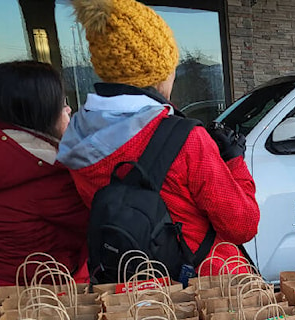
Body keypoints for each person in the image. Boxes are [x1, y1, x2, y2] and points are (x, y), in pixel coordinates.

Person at [58, 0, 259, 276]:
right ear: (158, 73)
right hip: (203, 294)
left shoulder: (77, 139)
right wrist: (235, 161)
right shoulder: (184, 138)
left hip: (125, 291)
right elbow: (242, 224)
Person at [0, 61, 89, 301]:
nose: (69, 111)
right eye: (62, 103)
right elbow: (99, 221)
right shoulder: (46, 172)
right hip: (49, 300)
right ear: (40, 112)